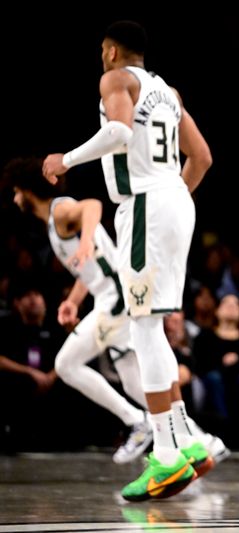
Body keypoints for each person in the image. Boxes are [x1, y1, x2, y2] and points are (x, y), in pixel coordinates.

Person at [42, 20, 214, 501]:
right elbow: (201, 157)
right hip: (176, 199)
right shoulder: (168, 90)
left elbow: (117, 131)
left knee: (143, 328)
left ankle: (164, 455)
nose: (102, 57)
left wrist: (66, 160)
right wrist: (172, 197)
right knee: (151, 325)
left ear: (113, 51)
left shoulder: (116, 79)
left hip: (143, 204)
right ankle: (188, 443)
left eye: (102, 50)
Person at [6, 156, 152, 463]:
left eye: (16, 191)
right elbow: (91, 271)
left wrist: (85, 240)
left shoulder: (60, 211)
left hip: (115, 301)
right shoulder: (54, 219)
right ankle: (196, 438)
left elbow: (93, 207)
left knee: (66, 364)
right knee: (133, 381)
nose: (15, 198)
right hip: (113, 299)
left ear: (26, 189)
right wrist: (72, 301)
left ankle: (138, 422)